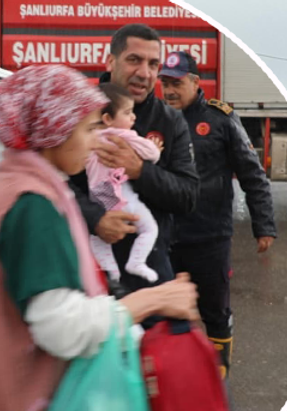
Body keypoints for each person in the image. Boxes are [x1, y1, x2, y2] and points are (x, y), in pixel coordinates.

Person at [0, 64, 199, 411]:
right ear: (55, 129)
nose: (96, 140)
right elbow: (62, 327)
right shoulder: (32, 204)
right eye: (90, 128)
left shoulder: (10, 186)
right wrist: (150, 301)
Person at [159, 51, 276, 377]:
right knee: (165, 308)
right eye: (165, 84)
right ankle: (173, 376)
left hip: (210, 237)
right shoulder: (157, 119)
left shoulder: (220, 120)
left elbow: (252, 175)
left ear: (195, 82)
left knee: (215, 312)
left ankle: (216, 376)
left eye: (176, 84)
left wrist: (263, 225)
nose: (169, 91)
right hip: (166, 237)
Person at [71, 23, 199, 293]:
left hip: (150, 265)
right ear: (110, 61)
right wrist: (96, 219)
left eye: (153, 64)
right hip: (87, 264)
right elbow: (55, 182)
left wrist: (140, 170)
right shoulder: (79, 112)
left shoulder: (170, 121)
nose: (144, 73)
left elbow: (188, 195)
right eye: (134, 60)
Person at [87, 83, 162, 283]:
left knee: (97, 237)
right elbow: (152, 155)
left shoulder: (90, 137)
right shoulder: (124, 135)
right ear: (108, 119)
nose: (133, 117)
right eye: (128, 113)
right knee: (149, 229)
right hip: (122, 195)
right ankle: (136, 262)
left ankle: (111, 272)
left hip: (98, 195)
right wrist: (155, 149)